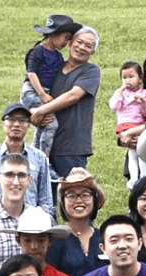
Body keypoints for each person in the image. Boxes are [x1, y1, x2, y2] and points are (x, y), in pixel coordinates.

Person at [35, 26, 100, 177]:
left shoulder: (91, 71)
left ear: (92, 52)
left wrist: (41, 111)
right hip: (45, 144)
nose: (82, 47)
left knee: (72, 189)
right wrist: (32, 112)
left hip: (72, 148)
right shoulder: (54, 69)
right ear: (70, 43)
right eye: (79, 42)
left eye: (88, 45)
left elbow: (73, 96)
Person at [0, 104, 58, 212]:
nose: (17, 124)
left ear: (29, 124)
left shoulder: (40, 157)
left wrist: (43, 218)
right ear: (3, 124)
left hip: (30, 219)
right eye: (11, 119)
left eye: (22, 120)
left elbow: (46, 201)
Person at [20, 15, 81, 151]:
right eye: (65, 37)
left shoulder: (58, 56)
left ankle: (36, 153)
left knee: (44, 123)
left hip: (46, 92)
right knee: (51, 124)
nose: (66, 42)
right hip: (33, 91)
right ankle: (44, 156)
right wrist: (42, 94)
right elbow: (31, 73)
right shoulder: (38, 51)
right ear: (53, 34)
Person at [0, 152, 52, 263]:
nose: (15, 182)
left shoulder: (40, 218)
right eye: (9, 175)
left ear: (29, 181)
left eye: (21, 176)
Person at [46, 168, 109, 276]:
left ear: (94, 200)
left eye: (85, 195)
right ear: (63, 202)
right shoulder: (54, 241)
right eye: (71, 195)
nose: (79, 201)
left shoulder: (105, 238)